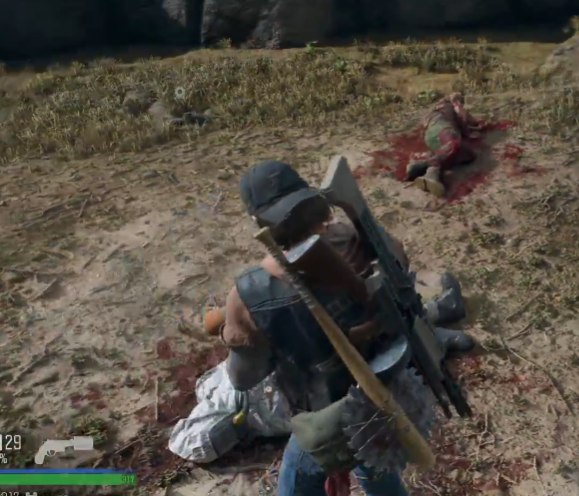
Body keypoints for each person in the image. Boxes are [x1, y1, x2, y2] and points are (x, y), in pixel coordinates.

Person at [219, 161, 475, 496]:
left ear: (261, 224)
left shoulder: (251, 294)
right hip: (393, 392)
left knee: (298, 481)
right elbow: (398, 275)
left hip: (331, 416)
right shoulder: (356, 236)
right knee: (376, 465)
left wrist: (241, 327)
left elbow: (242, 378)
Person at [171, 277, 470, 464]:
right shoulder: (230, 420)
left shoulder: (208, 392)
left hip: (275, 371)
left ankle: (438, 313)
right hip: (288, 399)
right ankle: (438, 337)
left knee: (344, 328)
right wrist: (236, 425)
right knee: (364, 365)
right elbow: (189, 446)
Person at [405, 92, 485, 198]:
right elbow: (461, 114)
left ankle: (421, 166)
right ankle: (431, 170)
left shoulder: (435, 110)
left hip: (431, 136)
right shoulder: (450, 103)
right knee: (454, 144)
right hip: (443, 128)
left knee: (468, 154)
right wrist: (469, 129)